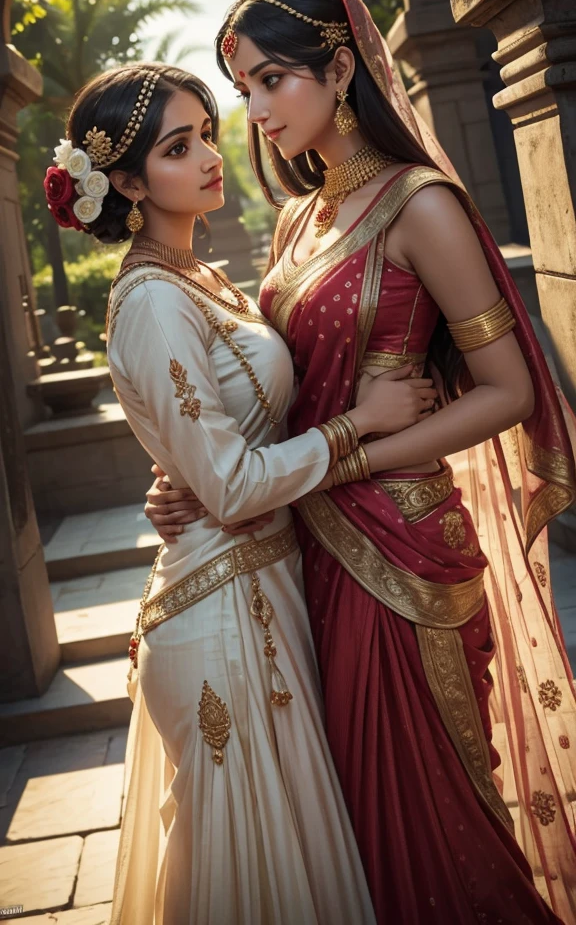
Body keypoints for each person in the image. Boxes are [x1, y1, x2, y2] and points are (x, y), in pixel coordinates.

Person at [146, 0, 576, 924]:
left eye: (271, 81)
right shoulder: (299, 219)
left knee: (431, 825)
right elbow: (276, 393)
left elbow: (507, 391)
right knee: (352, 837)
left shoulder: (420, 204)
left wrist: (358, 454)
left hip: (402, 555)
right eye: (242, 88)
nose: (253, 111)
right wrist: (192, 478)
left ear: (340, 68)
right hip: (310, 550)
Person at [45, 60, 450, 924]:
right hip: (222, 619)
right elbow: (228, 486)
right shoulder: (153, 300)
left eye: (206, 132)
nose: (210, 155)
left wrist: (187, 474)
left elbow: (218, 455)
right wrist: (365, 425)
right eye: (178, 147)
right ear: (123, 182)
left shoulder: (199, 276)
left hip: (260, 590)